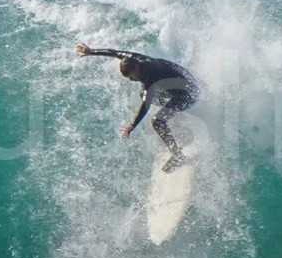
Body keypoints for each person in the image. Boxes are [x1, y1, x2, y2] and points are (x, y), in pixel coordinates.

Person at [76, 43, 199, 171]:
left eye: (131, 76)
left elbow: (146, 105)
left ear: (136, 70)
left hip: (188, 95)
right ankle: (172, 112)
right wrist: (92, 51)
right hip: (187, 79)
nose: (130, 79)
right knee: (142, 93)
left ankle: (178, 156)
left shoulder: (151, 77)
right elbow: (116, 52)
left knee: (157, 121)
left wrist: (131, 126)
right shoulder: (135, 59)